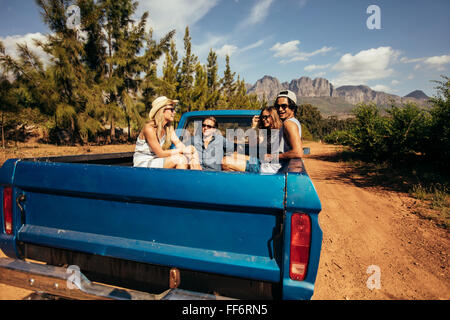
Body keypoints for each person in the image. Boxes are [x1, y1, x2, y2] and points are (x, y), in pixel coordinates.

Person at [133, 96, 201, 170]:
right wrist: (182, 151)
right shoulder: (149, 128)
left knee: (187, 157)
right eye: (172, 109)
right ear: (162, 111)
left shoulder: (168, 127)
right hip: (144, 162)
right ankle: (178, 181)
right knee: (179, 159)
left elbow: (178, 143)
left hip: (157, 160)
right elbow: (160, 153)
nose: (174, 112)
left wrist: (191, 153)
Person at [222, 106, 284, 174]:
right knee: (231, 155)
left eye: (266, 117)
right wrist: (254, 126)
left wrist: (271, 156)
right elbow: (253, 146)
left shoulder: (280, 133)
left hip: (267, 167)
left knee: (224, 162)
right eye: (262, 117)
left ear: (273, 117)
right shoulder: (268, 132)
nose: (263, 119)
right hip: (261, 161)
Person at [273, 90, 303, 165]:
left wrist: (273, 156)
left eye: (284, 106)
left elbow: (298, 152)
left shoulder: (288, 123)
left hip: (276, 168)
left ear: (292, 108)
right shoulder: (293, 122)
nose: (280, 109)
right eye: (277, 106)